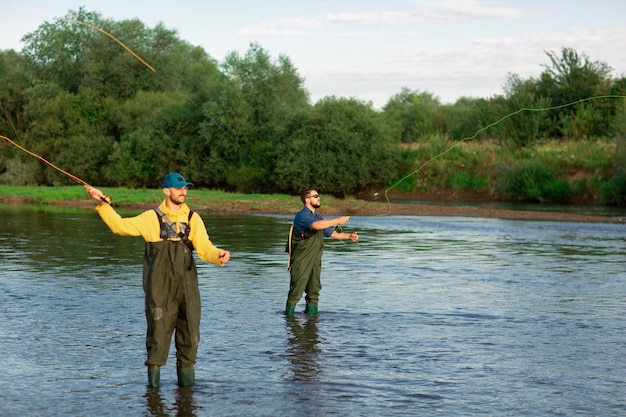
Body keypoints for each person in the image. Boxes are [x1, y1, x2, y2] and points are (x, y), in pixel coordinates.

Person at [86, 172, 230, 389]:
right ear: (166, 191)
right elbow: (120, 226)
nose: (183, 192)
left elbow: (205, 249)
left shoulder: (193, 218)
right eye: (179, 188)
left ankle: (186, 393)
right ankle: (153, 396)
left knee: (190, 339)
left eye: (185, 188)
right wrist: (103, 205)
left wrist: (218, 255)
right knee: (158, 339)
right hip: (159, 290)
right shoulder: (150, 218)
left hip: (187, 290)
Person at [285, 188, 359, 315]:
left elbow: (331, 233)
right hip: (301, 260)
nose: (319, 198)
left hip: (315, 260)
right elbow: (317, 226)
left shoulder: (318, 217)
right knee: (296, 291)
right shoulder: (302, 216)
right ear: (307, 199)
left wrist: (349, 236)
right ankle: (289, 321)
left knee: (314, 291)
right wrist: (337, 220)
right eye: (316, 196)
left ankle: (312, 322)